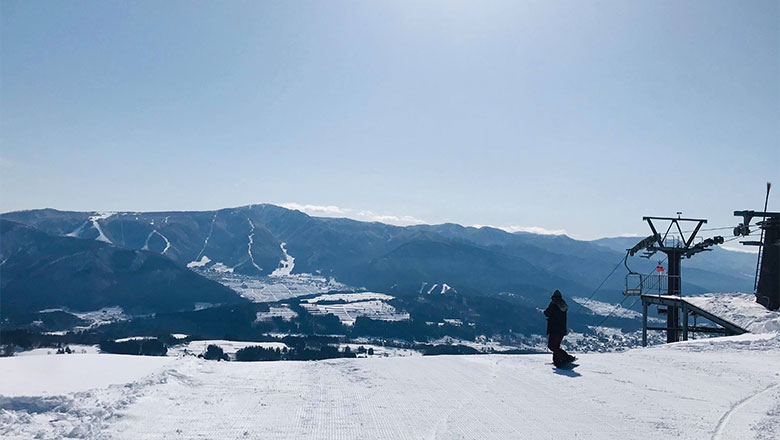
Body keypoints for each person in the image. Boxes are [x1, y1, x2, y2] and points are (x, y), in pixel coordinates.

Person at [543, 289, 575, 366]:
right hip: (562, 329)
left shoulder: (553, 305)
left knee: (552, 346)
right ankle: (557, 361)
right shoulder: (563, 305)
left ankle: (566, 358)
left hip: (554, 329)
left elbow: (546, 313)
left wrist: (550, 305)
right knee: (556, 346)